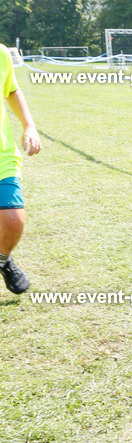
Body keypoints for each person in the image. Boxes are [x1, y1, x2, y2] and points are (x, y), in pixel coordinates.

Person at [0, 43, 41, 293]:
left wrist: (29, 125)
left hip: (1, 154)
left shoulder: (1, 54)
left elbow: (12, 90)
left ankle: (2, 259)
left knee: (14, 221)